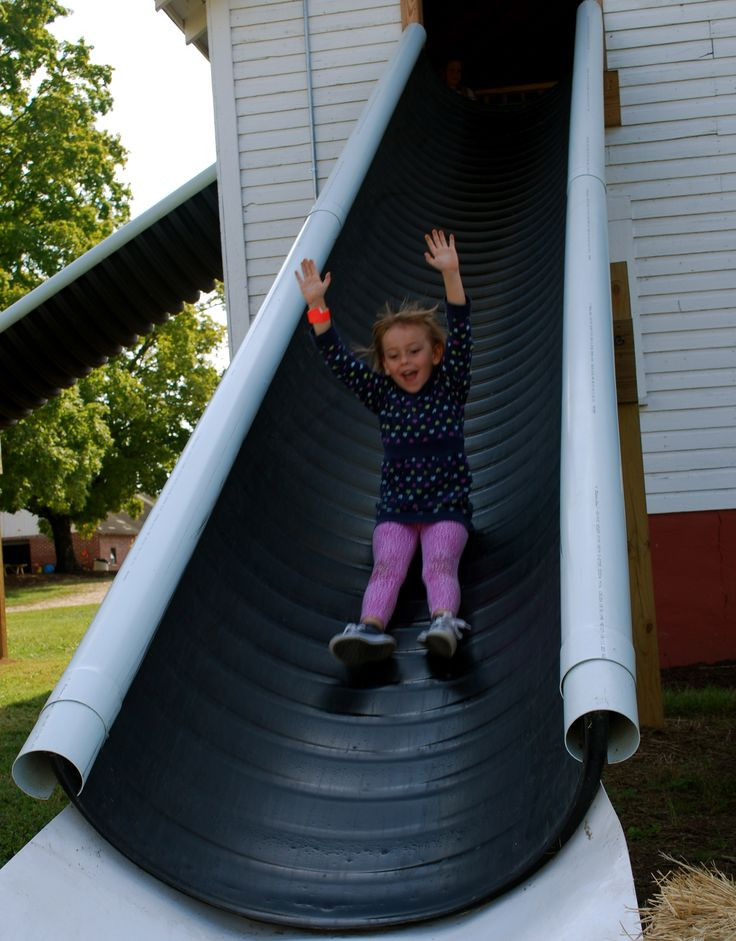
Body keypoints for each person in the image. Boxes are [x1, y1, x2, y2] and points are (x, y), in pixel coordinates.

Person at [295, 230, 473, 666]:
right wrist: (317, 305)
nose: (405, 362)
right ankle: (370, 630)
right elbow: (337, 358)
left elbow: (462, 329)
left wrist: (451, 273)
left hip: (446, 509)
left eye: (414, 351)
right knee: (387, 567)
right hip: (395, 510)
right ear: (383, 362)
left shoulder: (451, 385)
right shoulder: (383, 395)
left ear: (436, 352)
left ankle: (445, 621)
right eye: (393, 356)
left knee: (439, 565)